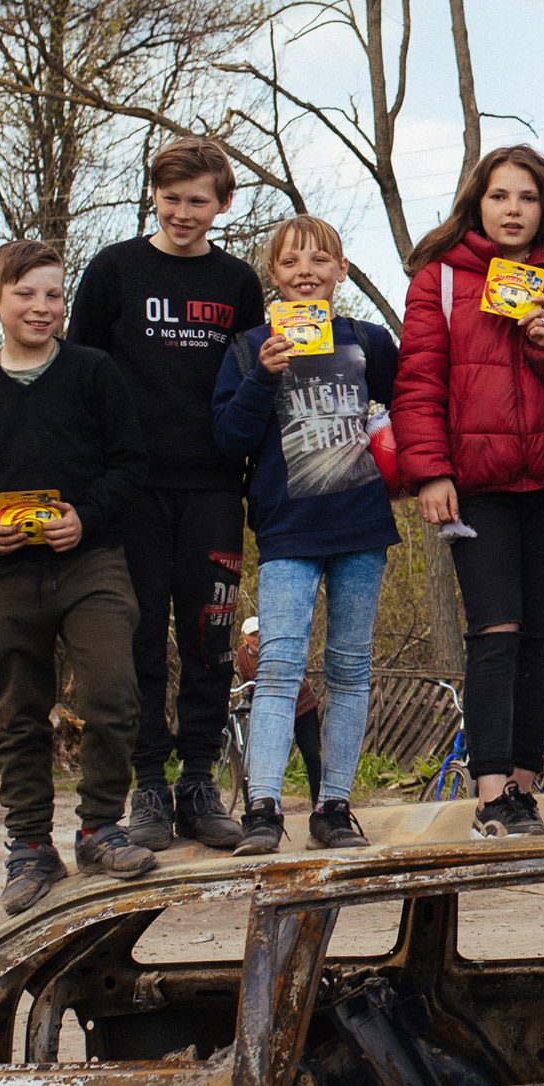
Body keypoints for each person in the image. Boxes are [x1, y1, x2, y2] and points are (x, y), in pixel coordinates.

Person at [0, 240, 153, 913]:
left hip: (90, 562)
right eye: (26, 293)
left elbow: (130, 464)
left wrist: (84, 519)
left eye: (54, 294)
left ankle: (99, 828)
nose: (41, 307)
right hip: (4, 572)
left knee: (113, 693)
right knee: (17, 712)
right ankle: (30, 848)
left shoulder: (94, 373)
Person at [68, 136, 265, 853]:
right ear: (154, 194)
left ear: (223, 204)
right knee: (142, 639)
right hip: (131, 490)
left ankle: (199, 783)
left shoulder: (239, 283)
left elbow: (253, 385)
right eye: (172, 199)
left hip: (214, 486)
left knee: (211, 642)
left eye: (199, 202)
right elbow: (77, 376)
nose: (184, 214)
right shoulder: (114, 270)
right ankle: (149, 785)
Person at [392, 144, 544, 836]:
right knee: (495, 633)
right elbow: (417, 383)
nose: (513, 209)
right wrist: (431, 472)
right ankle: (489, 796)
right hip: (476, 485)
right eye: (501, 195)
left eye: (528, 197)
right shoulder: (440, 281)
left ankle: (524, 789)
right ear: (477, 202)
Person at [212, 215, 399, 855]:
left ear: (341, 271)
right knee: (279, 667)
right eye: (291, 263)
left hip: (361, 525)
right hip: (287, 531)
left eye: (320, 260)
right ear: (274, 274)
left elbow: (407, 416)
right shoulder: (246, 348)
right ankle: (263, 808)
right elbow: (229, 440)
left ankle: (335, 806)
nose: (306, 273)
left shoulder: (369, 342)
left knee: (350, 668)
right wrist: (263, 376)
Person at [234, 619, 323, 803]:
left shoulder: (276, 649)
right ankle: (264, 802)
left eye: (260, 633)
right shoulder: (242, 655)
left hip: (301, 705)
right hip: (270, 708)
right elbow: (247, 680)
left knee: (311, 754)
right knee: (265, 755)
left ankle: (319, 802)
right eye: (252, 635)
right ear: (244, 638)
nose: (257, 638)